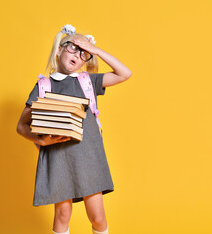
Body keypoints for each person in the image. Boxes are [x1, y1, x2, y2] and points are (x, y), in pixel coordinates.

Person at [16, 24, 132, 234]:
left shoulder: (88, 82)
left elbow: (125, 73)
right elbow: (21, 126)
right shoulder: (44, 86)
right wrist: (40, 140)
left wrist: (96, 50)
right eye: (73, 47)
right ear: (59, 49)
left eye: (84, 53)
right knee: (62, 215)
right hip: (59, 159)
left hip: (89, 157)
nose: (78, 55)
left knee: (97, 217)